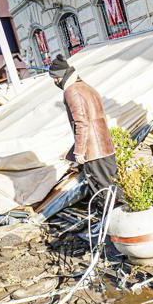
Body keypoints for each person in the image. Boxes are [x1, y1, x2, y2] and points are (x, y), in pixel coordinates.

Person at [49, 56, 118, 201]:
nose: (55, 81)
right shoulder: (85, 86)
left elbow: (81, 122)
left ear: (63, 75)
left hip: (93, 151)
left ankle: (112, 217)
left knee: (102, 189)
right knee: (112, 184)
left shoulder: (71, 91)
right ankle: (119, 212)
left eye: (55, 77)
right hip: (104, 145)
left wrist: (79, 151)